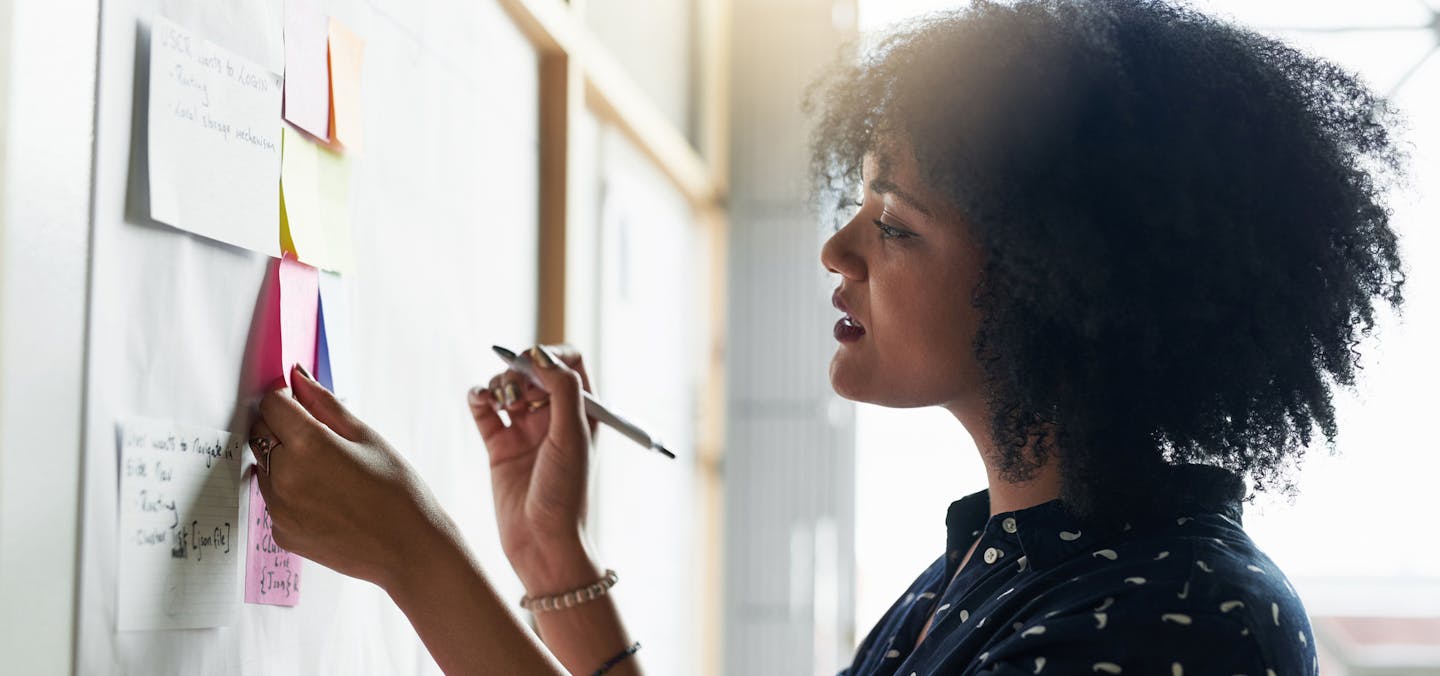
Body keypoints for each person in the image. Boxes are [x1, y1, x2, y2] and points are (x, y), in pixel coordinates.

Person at [247, 0, 1407, 673]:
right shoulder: (1011, 561)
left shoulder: (1171, 620)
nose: (836, 249)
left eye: (894, 223)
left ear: (1061, 287)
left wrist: (416, 554)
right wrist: (555, 563)